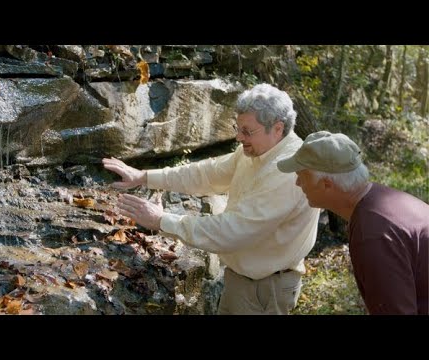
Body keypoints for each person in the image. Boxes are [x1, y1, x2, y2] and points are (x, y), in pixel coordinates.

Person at [103, 84, 320, 315]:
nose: (238, 137)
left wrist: (161, 221)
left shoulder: (288, 170)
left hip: (265, 289)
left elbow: (233, 230)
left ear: (278, 128)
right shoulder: (259, 150)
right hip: (244, 279)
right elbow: (207, 173)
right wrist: (144, 177)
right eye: (237, 128)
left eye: (247, 131)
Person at [277, 131, 429, 315]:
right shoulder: (380, 198)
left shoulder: (373, 235)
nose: (298, 183)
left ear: (326, 184)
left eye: (302, 175)